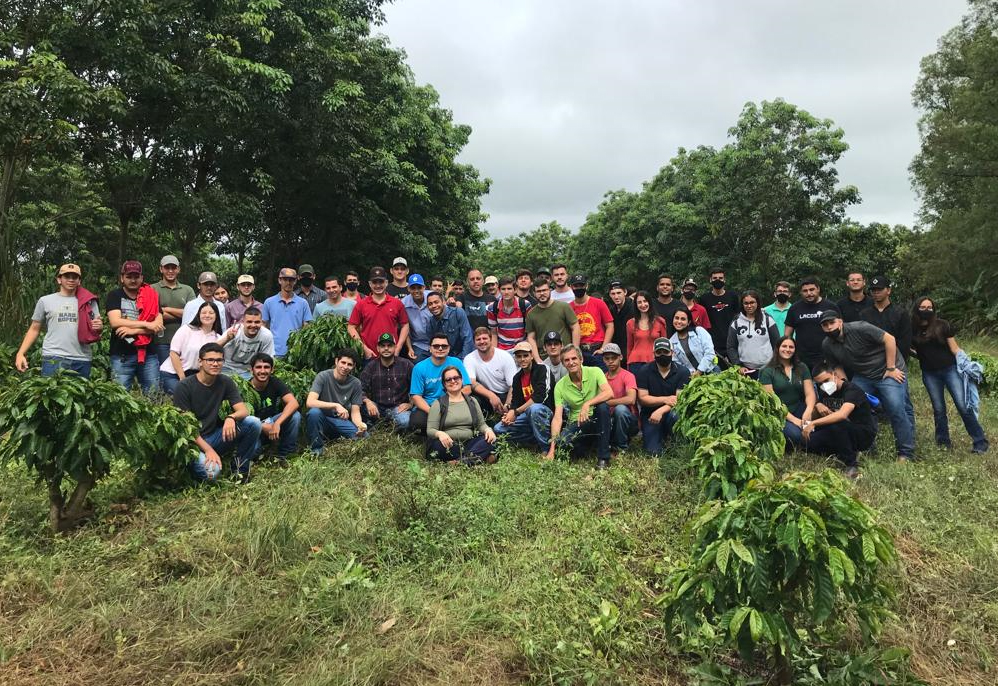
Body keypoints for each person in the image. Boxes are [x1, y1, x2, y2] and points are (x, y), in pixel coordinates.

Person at [820, 310, 916, 461]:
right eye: (825, 325)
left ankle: (906, 452)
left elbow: (890, 339)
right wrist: (846, 386)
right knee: (856, 408)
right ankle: (866, 447)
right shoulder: (827, 344)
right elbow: (836, 365)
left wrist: (891, 368)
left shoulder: (860, 328)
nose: (830, 327)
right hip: (863, 375)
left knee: (895, 408)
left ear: (840, 321)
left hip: (888, 371)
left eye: (832, 323)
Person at [173, 342, 262, 483]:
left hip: (215, 436)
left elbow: (243, 410)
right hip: (193, 443)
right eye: (210, 360)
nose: (215, 364)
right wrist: (208, 450)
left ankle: (240, 471)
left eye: (219, 360)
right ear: (200, 362)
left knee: (254, 423)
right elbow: (186, 428)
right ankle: (190, 470)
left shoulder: (225, 382)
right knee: (212, 474)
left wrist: (230, 417)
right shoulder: (184, 386)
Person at [911, 297, 989, 453]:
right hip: (929, 373)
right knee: (939, 409)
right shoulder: (912, 328)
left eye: (929, 307)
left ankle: (980, 441)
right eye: (923, 307)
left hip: (950, 369)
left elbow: (955, 349)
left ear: (934, 309)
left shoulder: (942, 325)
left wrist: (967, 364)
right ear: (916, 308)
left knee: (963, 406)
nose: (926, 310)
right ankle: (943, 443)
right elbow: (911, 348)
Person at [16, 263, 102, 377]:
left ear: (79, 281)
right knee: (51, 393)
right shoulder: (45, 301)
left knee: (80, 395)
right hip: (54, 357)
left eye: (74, 277)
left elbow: (95, 328)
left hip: (82, 358)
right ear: (59, 279)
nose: (71, 280)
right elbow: (34, 329)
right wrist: (20, 353)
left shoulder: (89, 302)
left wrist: (99, 327)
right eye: (67, 276)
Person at [803, 363, 877, 478]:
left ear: (835, 375)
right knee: (809, 443)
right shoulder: (825, 391)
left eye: (826, 380)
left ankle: (852, 465)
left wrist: (813, 423)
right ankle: (841, 452)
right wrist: (818, 405)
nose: (824, 385)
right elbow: (821, 414)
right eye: (820, 384)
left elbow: (842, 415)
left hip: (861, 432)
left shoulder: (852, 390)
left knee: (837, 424)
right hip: (839, 431)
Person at [547, 345, 613, 469]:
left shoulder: (595, 371)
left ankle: (603, 458)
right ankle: (589, 447)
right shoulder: (560, 386)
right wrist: (552, 449)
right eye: (567, 360)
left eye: (574, 358)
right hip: (578, 423)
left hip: (597, 418)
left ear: (581, 359)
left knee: (602, 407)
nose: (571, 363)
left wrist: (587, 404)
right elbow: (557, 417)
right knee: (562, 444)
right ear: (563, 364)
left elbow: (609, 393)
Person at [106, 260, 164, 393]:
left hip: (148, 354)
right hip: (122, 354)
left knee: (153, 394)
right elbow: (115, 322)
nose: (133, 280)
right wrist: (146, 325)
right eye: (129, 277)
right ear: (122, 278)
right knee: (119, 395)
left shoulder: (152, 296)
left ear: (142, 278)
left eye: (136, 277)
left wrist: (132, 330)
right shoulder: (115, 295)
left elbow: (158, 325)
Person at [426, 365, 498, 465]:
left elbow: (481, 424)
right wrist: (440, 434)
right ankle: (477, 458)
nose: (453, 381)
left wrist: (488, 430)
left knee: (490, 440)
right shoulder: (438, 404)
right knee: (437, 447)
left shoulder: (472, 401)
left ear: (461, 380)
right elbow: (430, 430)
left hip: (469, 442)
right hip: (449, 444)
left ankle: (459, 462)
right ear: (444, 384)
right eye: (448, 379)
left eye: (456, 378)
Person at [494, 341, 554, 450]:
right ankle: (532, 439)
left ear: (531, 356)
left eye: (525, 355)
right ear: (515, 358)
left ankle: (546, 448)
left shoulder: (543, 369)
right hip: (526, 413)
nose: (522, 359)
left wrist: (516, 412)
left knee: (534, 409)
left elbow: (540, 397)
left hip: (545, 411)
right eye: (519, 356)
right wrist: (510, 413)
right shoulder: (517, 377)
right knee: (498, 428)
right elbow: (515, 401)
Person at [305, 349, 368, 452]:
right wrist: (336, 405)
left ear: (353, 366)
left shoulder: (355, 383)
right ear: (336, 361)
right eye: (343, 362)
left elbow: (355, 411)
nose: (345, 367)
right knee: (314, 412)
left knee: (364, 437)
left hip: (341, 421)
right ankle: (316, 451)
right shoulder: (323, 376)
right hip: (323, 419)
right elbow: (310, 402)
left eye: (349, 364)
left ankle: (337, 441)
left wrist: (360, 425)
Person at [636, 338, 691, 455]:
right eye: (659, 352)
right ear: (654, 354)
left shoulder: (683, 372)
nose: (662, 355)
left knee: (675, 415)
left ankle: (676, 441)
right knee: (652, 452)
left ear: (672, 353)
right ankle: (659, 437)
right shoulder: (644, 371)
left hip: (672, 412)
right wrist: (666, 399)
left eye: (666, 352)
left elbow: (679, 399)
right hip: (650, 415)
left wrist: (660, 410)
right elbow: (643, 398)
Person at [409, 333, 472, 434]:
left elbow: (467, 388)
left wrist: (451, 404)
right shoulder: (419, 368)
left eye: (444, 346)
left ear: (449, 348)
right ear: (430, 348)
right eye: (436, 346)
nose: (440, 348)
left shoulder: (456, 362)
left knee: (475, 403)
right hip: (430, 406)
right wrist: (434, 412)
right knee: (417, 422)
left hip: (453, 402)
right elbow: (416, 397)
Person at [248, 352, 301, 467]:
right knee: (253, 452)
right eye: (258, 367)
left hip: (271, 422)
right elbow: (242, 417)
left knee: (295, 416)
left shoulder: (274, 382)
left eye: (266, 367)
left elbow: (293, 403)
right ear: (251, 370)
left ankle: (285, 455)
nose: (262, 371)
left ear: (272, 370)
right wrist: (261, 426)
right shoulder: (245, 387)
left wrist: (277, 423)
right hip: (253, 429)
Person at [760, 336, 816, 446]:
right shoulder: (767, 371)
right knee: (796, 436)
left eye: (791, 347)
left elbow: (809, 393)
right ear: (777, 348)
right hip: (779, 413)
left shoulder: (802, 367)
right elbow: (772, 402)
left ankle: (811, 437)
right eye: (784, 346)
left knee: (820, 420)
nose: (788, 349)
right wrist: (795, 421)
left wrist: (808, 411)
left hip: (799, 407)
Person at [347, 266, 410, 363]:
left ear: (386, 283)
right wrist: (363, 348)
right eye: (374, 282)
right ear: (369, 284)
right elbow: (351, 327)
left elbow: (405, 324)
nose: (378, 285)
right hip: (370, 355)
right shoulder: (361, 304)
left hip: (392, 354)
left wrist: (398, 347)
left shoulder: (397, 303)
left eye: (380, 282)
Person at [160, 300, 222, 395]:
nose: (207, 315)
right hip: (173, 374)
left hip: (194, 376)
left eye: (211, 313)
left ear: (216, 315)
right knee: (182, 394)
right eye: (204, 312)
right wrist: (182, 378)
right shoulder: (186, 329)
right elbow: (174, 353)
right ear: (198, 315)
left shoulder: (217, 337)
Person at [359, 332, 413, 431]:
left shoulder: (406, 365)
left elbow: (417, 388)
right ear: (378, 348)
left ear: (395, 347)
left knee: (406, 421)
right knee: (360, 407)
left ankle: (390, 427)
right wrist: (367, 401)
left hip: (398, 407)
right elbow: (360, 388)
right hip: (377, 407)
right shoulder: (371, 366)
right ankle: (379, 426)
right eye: (383, 346)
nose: (386, 348)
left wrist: (410, 404)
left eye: (390, 345)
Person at [150, 255, 195, 367]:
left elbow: (194, 314)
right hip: (160, 341)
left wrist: (165, 309)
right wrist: (182, 314)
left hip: (185, 341)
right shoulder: (152, 289)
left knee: (183, 374)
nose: (170, 271)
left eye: (173, 268)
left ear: (178, 269)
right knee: (163, 374)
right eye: (167, 268)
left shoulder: (187, 290)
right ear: (161, 269)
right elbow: (151, 314)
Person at [727, 289, 781, 379]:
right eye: (746, 303)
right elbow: (731, 347)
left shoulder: (768, 320)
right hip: (745, 371)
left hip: (768, 369)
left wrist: (775, 364)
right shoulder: (736, 322)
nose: (749, 306)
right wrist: (738, 365)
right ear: (742, 304)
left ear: (757, 303)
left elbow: (777, 344)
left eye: (752, 302)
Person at [525, 277, 580, 363]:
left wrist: (574, 351)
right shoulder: (531, 314)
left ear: (550, 290)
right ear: (534, 293)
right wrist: (537, 359)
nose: (542, 293)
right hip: (544, 357)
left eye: (544, 290)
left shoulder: (563, 307)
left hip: (565, 356)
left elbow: (575, 327)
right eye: (539, 291)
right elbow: (531, 337)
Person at [262, 267, 313, 357]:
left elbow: (307, 329)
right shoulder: (269, 302)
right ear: (279, 280)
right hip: (273, 352)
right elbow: (263, 327)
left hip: (295, 352)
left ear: (295, 281)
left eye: (291, 280)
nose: (288, 282)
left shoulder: (303, 303)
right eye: (285, 279)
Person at [464, 326, 517, 415]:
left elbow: (514, 385)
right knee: (472, 399)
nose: (482, 342)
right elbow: (472, 383)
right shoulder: (469, 358)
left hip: (506, 393)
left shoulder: (505, 356)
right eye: (478, 339)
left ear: (491, 339)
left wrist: (508, 405)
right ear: (474, 343)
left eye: (484, 338)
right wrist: (491, 395)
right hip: (486, 393)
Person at [861, 275, 912, 364]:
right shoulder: (864, 314)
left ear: (888, 290)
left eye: (880, 289)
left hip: (895, 362)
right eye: (873, 290)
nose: (876, 292)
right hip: (871, 363)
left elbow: (905, 342)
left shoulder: (900, 313)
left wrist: (896, 362)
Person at [784, 276, 830, 369]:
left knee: (827, 384)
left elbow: (839, 331)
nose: (809, 293)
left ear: (818, 289)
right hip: (801, 359)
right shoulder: (794, 308)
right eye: (805, 291)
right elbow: (787, 335)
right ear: (801, 292)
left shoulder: (830, 306)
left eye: (812, 289)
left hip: (826, 357)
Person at [569, 274, 614, 368]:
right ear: (571, 287)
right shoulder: (569, 308)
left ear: (586, 286)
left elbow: (610, 325)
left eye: (581, 285)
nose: (579, 288)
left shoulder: (599, 303)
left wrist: (603, 348)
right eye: (576, 286)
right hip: (580, 350)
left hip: (597, 349)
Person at [602, 343, 639, 454]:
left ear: (620, 357)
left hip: (629, 420)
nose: (610, 361)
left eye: (614, 358)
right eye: (607, 358)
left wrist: (608, 402)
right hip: (609, 420)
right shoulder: (602, 378)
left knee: (620, 409)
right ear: (603, 360)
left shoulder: (628, 376)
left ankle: (621, 448)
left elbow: (631, 399)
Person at [220, 306, 276, 378]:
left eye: (257, 322)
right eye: (249, 322)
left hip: (249, 370)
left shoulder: (266, 335)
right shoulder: (234, 331)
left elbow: (269, 359)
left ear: (261, 322)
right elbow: (213, 348)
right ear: (243, 322)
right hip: (228, 368)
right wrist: (227, 338)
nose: (253, 325)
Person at [699, 268, 739, 363]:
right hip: (712, 344)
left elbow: (739, 317)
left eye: (720, 278)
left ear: (724, 280)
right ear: (710, 280)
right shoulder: (704, 299)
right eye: (715, 278)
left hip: (732, 342)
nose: (718, 280)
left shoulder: (732, 296)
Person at [669, 305, 718, 377]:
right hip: (691, 377)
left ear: (688, 322)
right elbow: (677, 364)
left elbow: (710, 353)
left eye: (683, 319)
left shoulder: (699, 331)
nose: (679, 321)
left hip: (712, 372)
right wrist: (691, 374)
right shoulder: (671, 342)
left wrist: (699, 371)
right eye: (676, 318)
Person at [626, 291, 667, 375]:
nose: (643, 304)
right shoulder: (630, 323)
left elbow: (665, 344)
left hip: (655, 362)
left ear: (650, 302)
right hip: (635, 363)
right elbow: (629, 347)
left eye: (645, 301)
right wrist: (628, 364)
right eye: (639, 302)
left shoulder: (660, 321)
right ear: (636, 305)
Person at [487, 276, 533, 351]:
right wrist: (494, 353)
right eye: (503, 289)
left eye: (509, 289)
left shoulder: (525, 305)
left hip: (522, 347)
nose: (506, 292)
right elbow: (493, 333)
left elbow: (530, 331)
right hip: (503, 348)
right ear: (499, 290)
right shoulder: (492, 308)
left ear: (515, 290)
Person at [426, 290, 474, 359]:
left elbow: (467, 339)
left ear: (443, 302)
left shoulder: (458, 313)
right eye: (430, 304)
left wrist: (461, 361)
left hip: (463, 356)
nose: (433, 306)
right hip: (444, 358)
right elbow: (432, 346)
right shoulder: (431, 323)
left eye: (436, 302)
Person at [402, 274, 433, 362]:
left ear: (424, 287)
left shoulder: (433, 298)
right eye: (413, 288)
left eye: (419, 287)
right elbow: (405, 327)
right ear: (408, 289)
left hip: (436, 339)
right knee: (417, 364)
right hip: (419, 343)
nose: (416, 291)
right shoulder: (403, 304)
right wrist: (410, 348)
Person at [605, 280, 635, 365]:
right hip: (616, 353)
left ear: (625, 292)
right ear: (610, 295)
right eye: (613, 294)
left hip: (631, 351)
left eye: (619, 293)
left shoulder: (634, 308)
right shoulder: (611, 310)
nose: (616, 296)